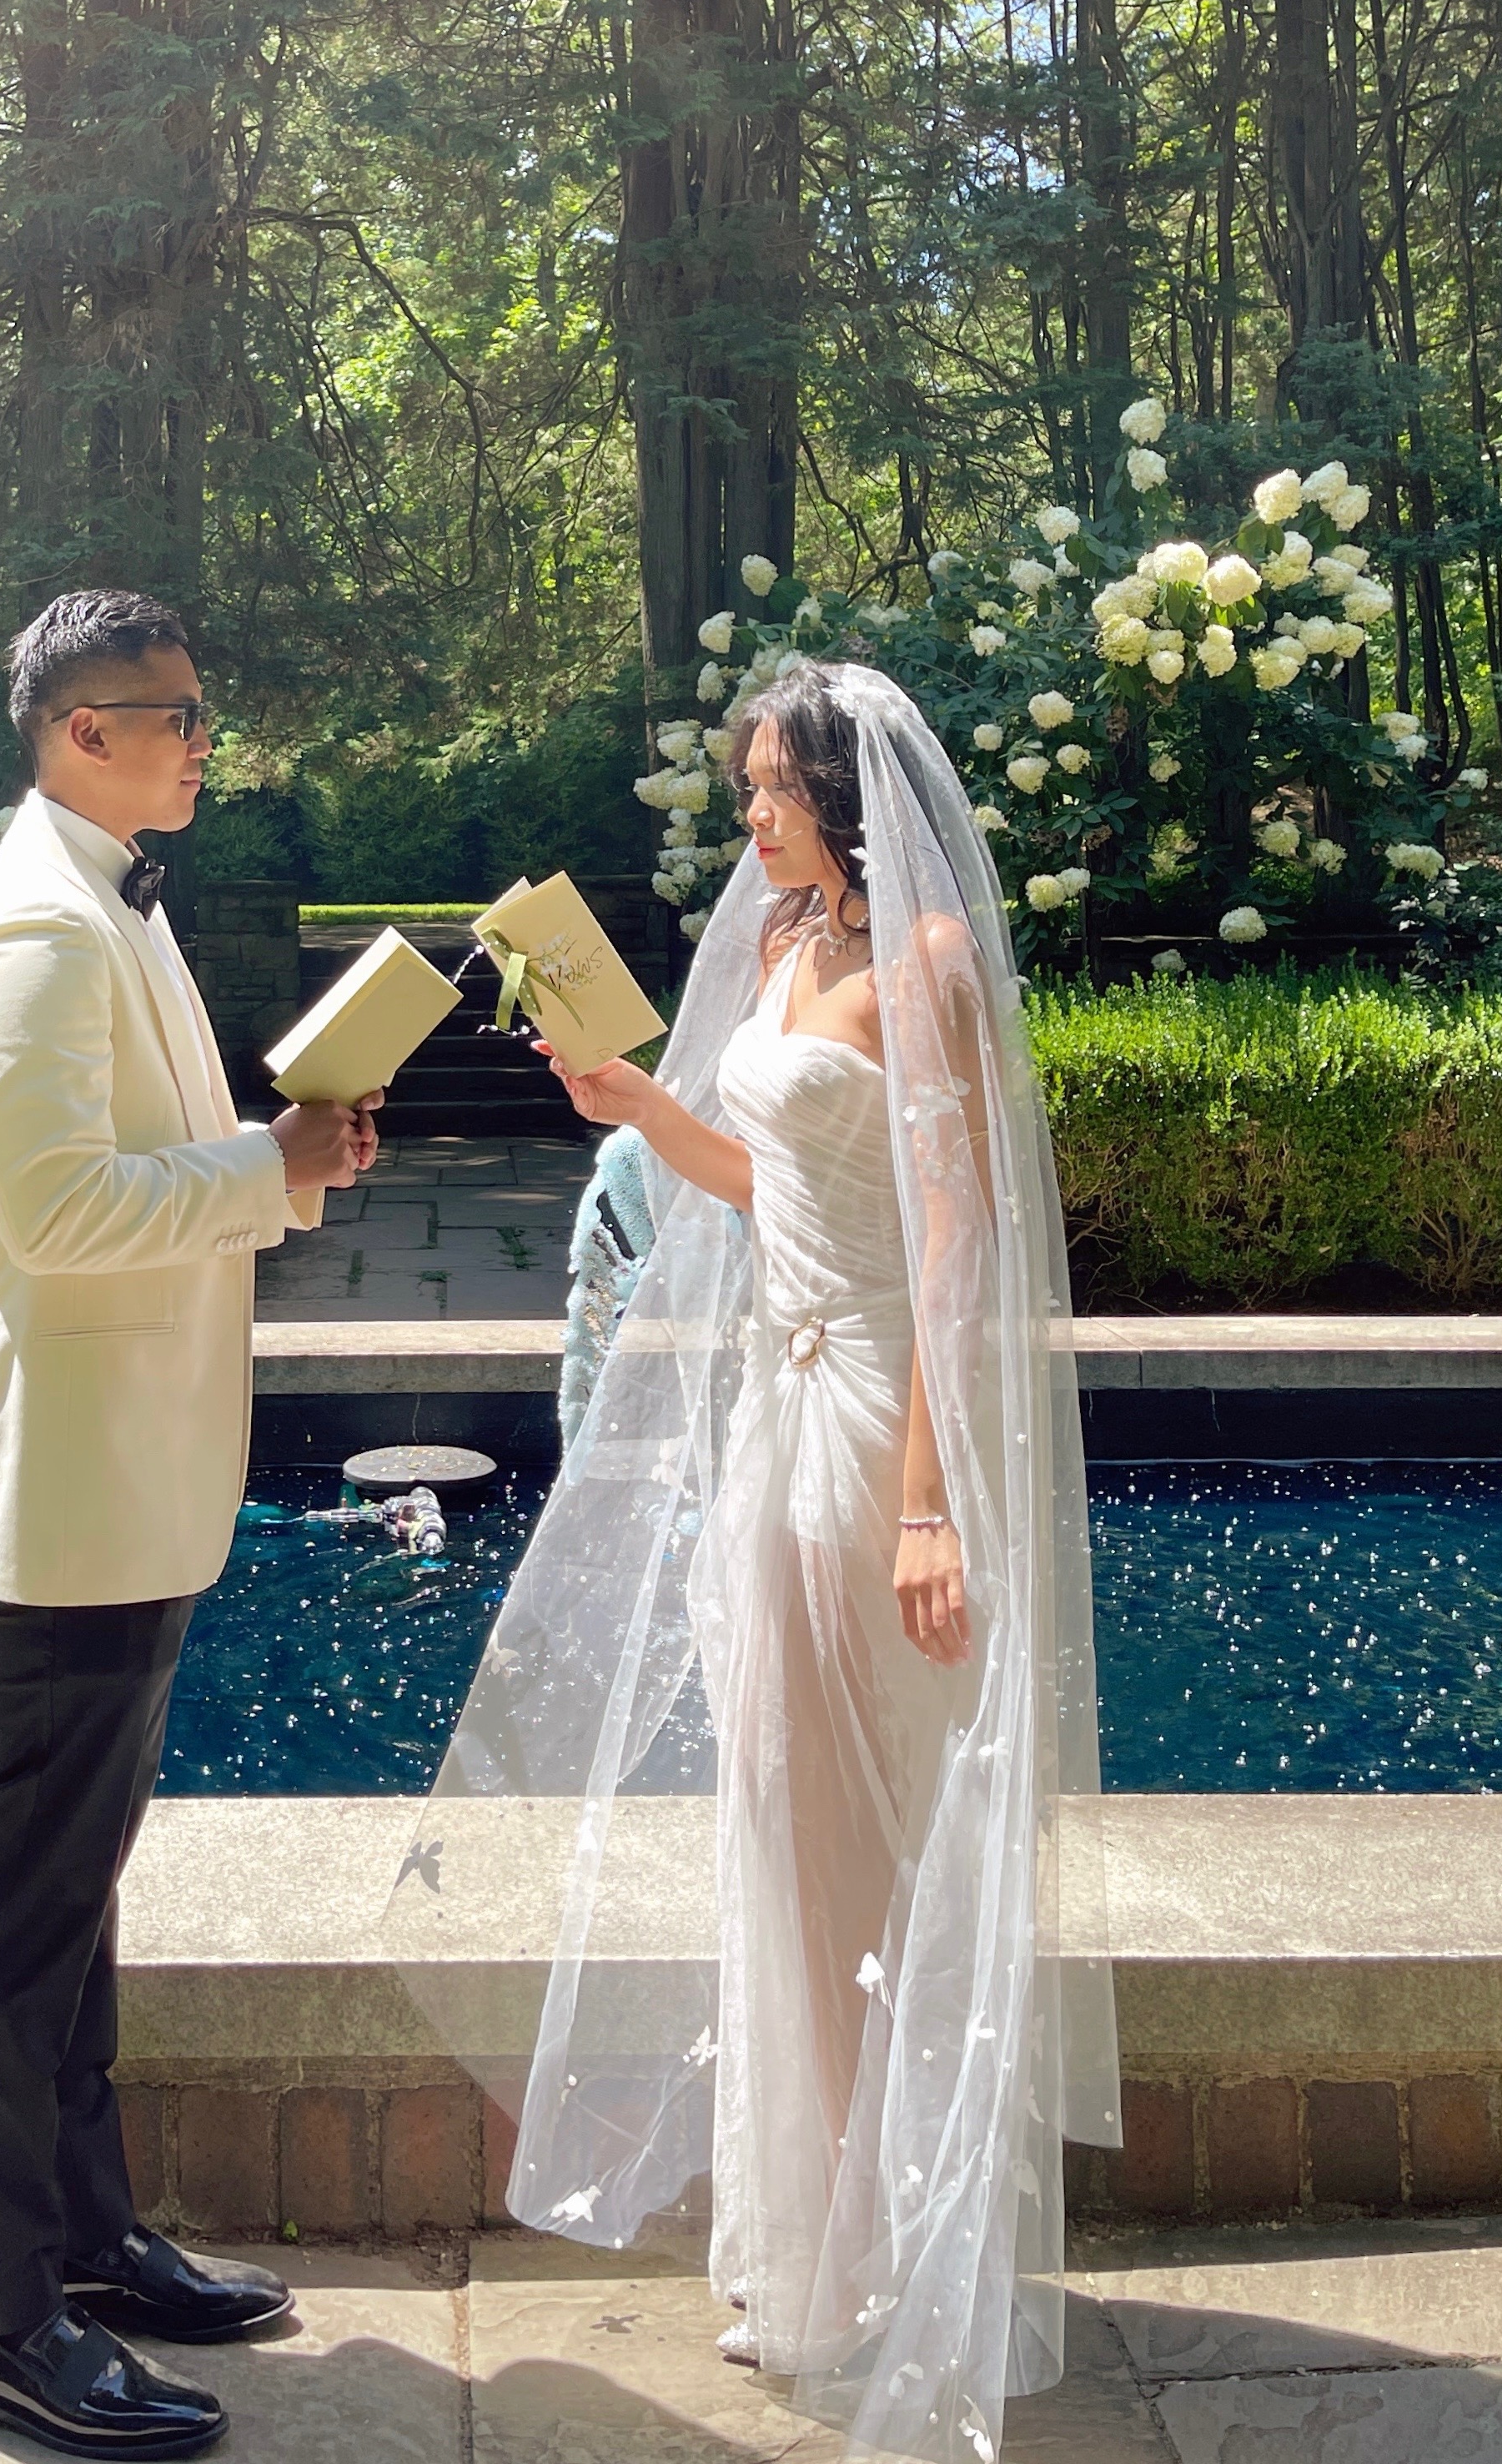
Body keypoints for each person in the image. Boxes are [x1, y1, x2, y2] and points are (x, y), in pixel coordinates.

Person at [405, 660, 1115, 2464]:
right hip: (777, 1408)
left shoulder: (929, 966)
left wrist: (933, 1503)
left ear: (845, 798)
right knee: (792, 1831)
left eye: (770, 790)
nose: (749, 819)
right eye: (746, 792)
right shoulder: (794, 946)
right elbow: (767, 1182)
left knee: (884, 1827)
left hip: (884, 1421)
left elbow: (955, 1253)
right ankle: (823, 2243)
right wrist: (640, 1113)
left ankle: (908, 2239)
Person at [0, 587, 380, 2459]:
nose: (204, 741)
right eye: (175, 715)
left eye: (204, 710)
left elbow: (143, 1159)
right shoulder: (35, 925)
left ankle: (85, 2237)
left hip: (129, 1471)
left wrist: (290, 1154)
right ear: (79, 730)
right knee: (29, 1907)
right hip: (69, 1482)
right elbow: (50, 1216)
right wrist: (265, 1166)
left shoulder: (112, 894)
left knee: (81, 1888)